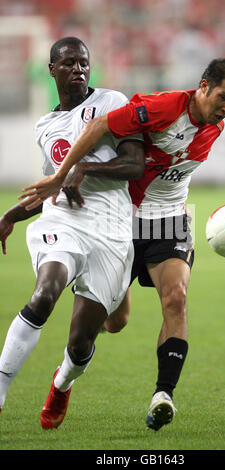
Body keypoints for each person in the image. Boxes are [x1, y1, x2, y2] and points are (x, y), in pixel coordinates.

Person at [19, 58, 225, 432]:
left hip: (170, 218)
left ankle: (164, 395)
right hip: (120, 219)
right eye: (223, 98)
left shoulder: (214, 125)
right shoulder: (161, 107)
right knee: (114, 322)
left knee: (176, 297)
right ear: (203, 86)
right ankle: (64, 377)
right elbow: (99, 126)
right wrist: (62, 176)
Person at [0, 36, 145, 429]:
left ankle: (62, 382)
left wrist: (85, 170)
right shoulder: (45, 126)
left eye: (83, 63)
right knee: (45, 293)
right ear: (52, 70)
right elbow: (53, 185)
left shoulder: (113, 102)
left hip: (112, 228)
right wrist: (11, 214)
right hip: (64, 221)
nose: (78, 69)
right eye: (68, 63)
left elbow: (135, 164)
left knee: (82, 341)